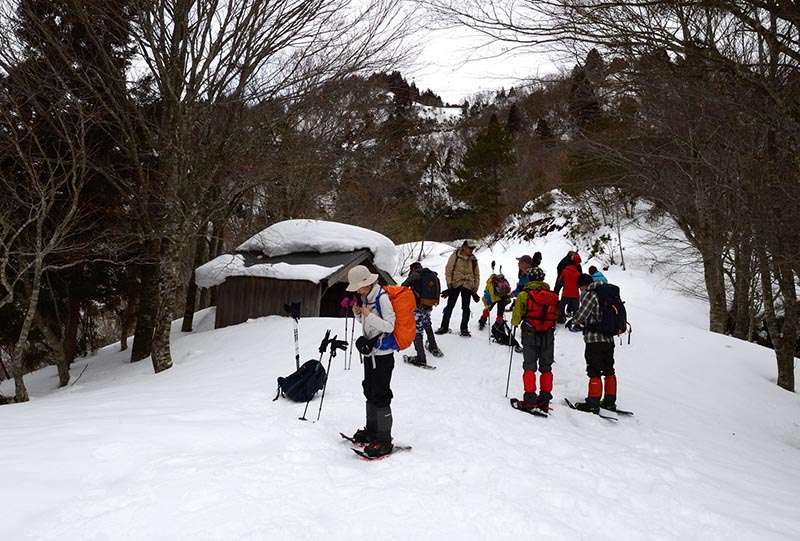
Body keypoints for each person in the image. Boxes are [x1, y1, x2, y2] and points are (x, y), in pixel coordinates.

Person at [347, 265, 397, 457]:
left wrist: (369, 315)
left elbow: (389, 326)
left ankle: (384, 440)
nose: (357, 291)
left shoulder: (382, 298)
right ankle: (372, 430)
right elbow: (369, 325)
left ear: (366, 283)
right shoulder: (366, 298)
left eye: (358, 287)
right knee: (369, 389)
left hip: (383, 356)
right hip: (370, 354)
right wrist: (359, 315)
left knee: (381, 394)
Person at [570, 273, 617, 413]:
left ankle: (593, 403)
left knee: (594, 370)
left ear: (585, 285)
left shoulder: (592, 295)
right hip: (609, 338)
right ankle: (609, 402)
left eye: (581, 287)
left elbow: (582, 315)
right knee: (609, 369)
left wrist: (572, 321)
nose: (581, 290)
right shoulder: (609, 293)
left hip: (594, 340)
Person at [402, 262, 443, 366]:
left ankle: (421, 358)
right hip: (428, 306)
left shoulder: (415, 275)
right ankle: (433, 347)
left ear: (412, 269)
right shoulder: (431, 274)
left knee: (417, 331)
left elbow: (403, 286)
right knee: (427, 324)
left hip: (418, 307)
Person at [436, 240, 480, 337]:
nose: (472, 250)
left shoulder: (473, 259)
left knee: (466, 308)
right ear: (464, 247)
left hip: (468, 285)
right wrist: (449, 283)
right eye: (470, 248)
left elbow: (476, 274)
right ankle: (444, 326)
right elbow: (449, 270)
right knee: (450, 306)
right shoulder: (455, 256)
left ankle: (464, 328)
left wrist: (476, 286)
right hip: (455, 284)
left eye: (473, 248)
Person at [555, 253, 582, 323]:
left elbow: (560, 281)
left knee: (561, 307)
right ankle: (577, 321)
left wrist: (565, 284)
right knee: (576, 309)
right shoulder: (578, 274)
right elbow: (580, 283)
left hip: (566, 292)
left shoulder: (565, 271)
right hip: (575, 293)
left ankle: (557, 319)